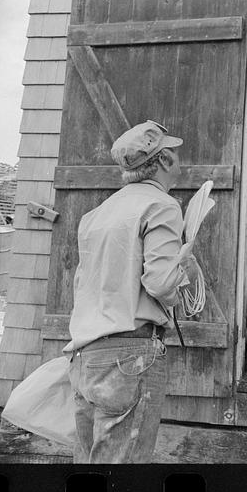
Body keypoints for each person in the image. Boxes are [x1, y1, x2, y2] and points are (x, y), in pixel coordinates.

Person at [65, 120, 200, 463]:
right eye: (175, 152)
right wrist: (183, 266)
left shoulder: (96, 214)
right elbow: (159, 283)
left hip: (85, 358)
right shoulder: (162, 205)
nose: (179, 160)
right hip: (130, 357)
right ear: (165, 161)